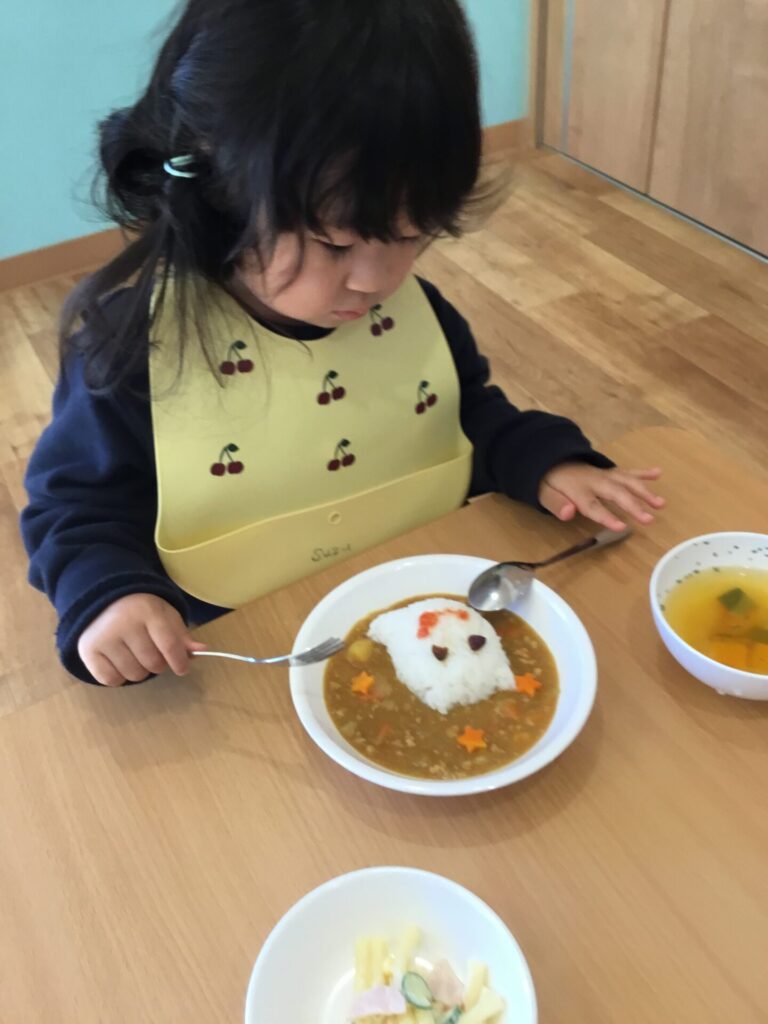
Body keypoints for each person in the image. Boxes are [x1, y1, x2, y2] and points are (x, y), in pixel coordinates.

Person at [22, 0, 664, 688]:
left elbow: (462, 413)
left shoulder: (418, 312)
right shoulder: (132, 354)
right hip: (244, 643)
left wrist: (541, 460)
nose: (378, 279)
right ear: (222, 189)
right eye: (336, 243)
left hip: (421, 605)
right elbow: (78, 508)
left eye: (413, 234)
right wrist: (110, 594)